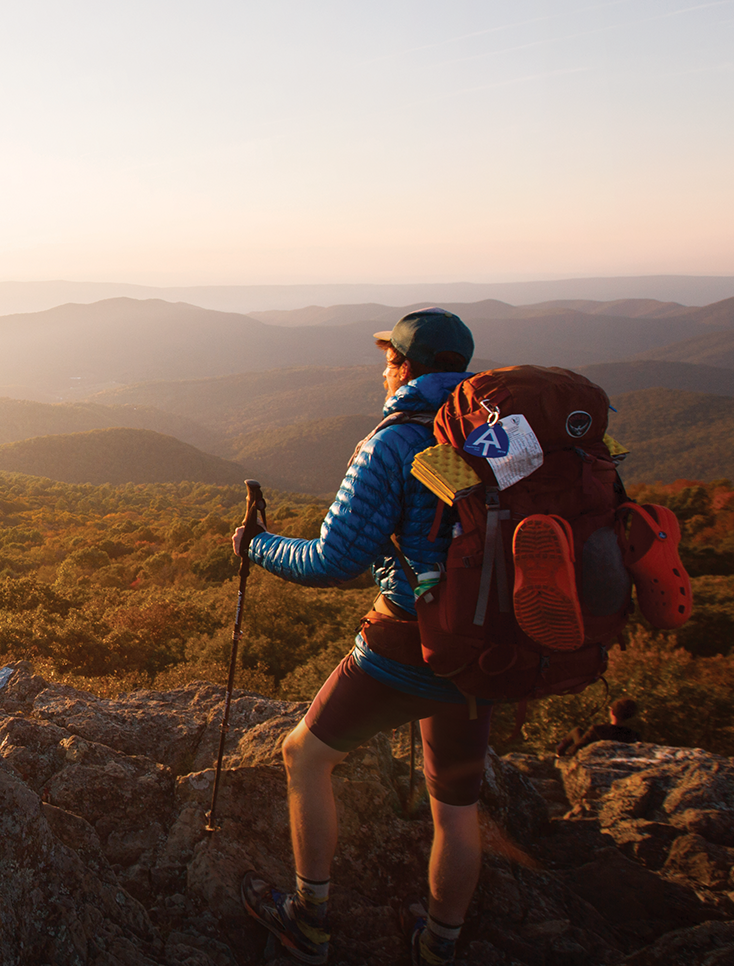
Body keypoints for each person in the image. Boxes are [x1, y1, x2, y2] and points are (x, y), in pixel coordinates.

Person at [231, 308, 488, 966]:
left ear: (404, 366)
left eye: (388, 359)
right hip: (487, 648)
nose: (382, 369)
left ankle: (309, 920)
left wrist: (256, 545)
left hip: (408, 642)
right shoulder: (494, 433)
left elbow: (332, 562)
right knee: (456, 807)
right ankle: (439, 945)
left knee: (305, 757)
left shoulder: (394, 442)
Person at [555, 697, 642, 756]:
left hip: (591, 755)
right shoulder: (633, 735)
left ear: (612, 712)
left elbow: (578, 748)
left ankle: (559, 750)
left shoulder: (598, 729)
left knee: (576, 731)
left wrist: (570, 753)